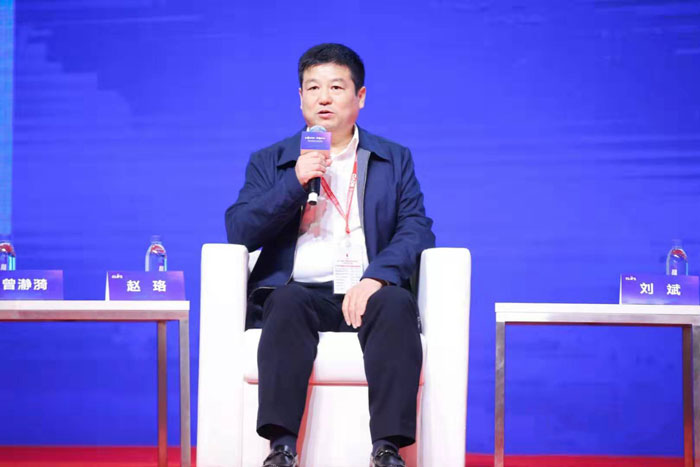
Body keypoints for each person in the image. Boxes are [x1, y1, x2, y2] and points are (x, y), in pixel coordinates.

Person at [225, 43, 435, 467]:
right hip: (301, 292)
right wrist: (294, 183)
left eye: (336, 87)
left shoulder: (393, 158)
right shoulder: (272, 161)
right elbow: (240, 229)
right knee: (284, 301)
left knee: (396, 302)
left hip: (367, 291)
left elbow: (417, 227)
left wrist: (376, 277)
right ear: (300, 97)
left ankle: (388, 449)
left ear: (360, 97)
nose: (323, 98)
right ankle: (282, 448)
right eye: (313, 87)